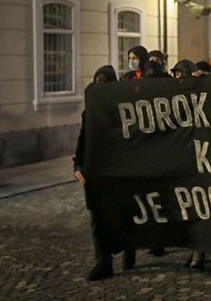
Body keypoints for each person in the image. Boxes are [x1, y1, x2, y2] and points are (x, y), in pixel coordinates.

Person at [75, 65, 120, 280]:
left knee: (119, 214)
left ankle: (126, 251)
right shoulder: (89, 111)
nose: (100, 85)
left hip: (115, 171)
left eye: (104, 81)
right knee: (97, 217)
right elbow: (83, 138)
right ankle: (103, 262)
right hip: (95, 170)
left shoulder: (120, 109)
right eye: (96, 81)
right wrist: (78, 165)